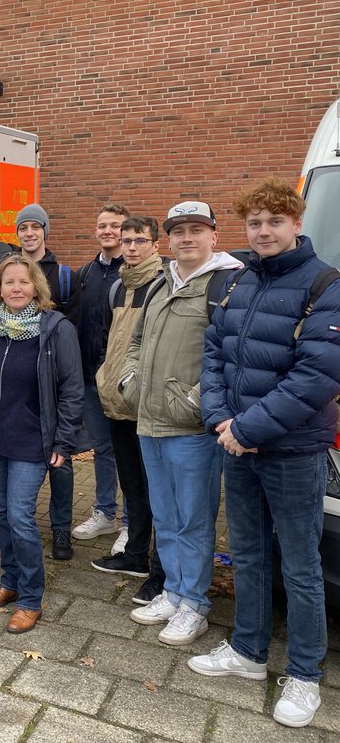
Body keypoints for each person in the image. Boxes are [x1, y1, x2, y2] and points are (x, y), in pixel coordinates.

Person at [189, 178, 340, 728]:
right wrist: (219, 417)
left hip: (292, 451)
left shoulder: (326, 285)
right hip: (236, 441)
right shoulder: (237, 282)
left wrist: (247, 427)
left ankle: (303, 675)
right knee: (249, 553)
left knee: (301, 566)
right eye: (255, 222)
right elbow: (214, 354)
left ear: (296, 223)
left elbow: (317, 376)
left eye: (275, 221)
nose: (264, 231)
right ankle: (249, 652)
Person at [120, 201, 243, 644]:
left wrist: (196, 400)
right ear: (168, 239)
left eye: (197, 229)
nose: (186, 238)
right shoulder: (160, 284)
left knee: (193, 519)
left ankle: (195, 603)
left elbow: (233, 354)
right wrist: (131, 381)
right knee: (167, 517)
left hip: (192, 428)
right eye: (179, 231)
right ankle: (173, 591)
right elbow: (136, 341)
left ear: (214, 235)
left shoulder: (227, 285)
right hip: (149, 421)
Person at [0, 254, 84, 633]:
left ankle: (31, 597)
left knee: (21, 517)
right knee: (1, 514)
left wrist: (64, 440)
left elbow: (72, 389)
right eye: (8, 282)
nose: (16, 288)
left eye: (24, 282)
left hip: (34, 440)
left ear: (37, 288)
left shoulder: (56, 328)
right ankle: (10, 582)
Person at [92, 216, 165, 604]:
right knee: (134, 486)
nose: (132, 247)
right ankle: (135, 555)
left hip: (149, 406)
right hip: (118, 403)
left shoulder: (163, 285)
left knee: (158, 492)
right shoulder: (118, 287)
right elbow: (112, 341)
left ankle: (160, 570)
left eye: (140, 240)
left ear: (155, 244)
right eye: (127, 240)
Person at [9, 203, 82, 560]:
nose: (29, 233)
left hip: (52, 380)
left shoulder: (64, 276)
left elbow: (73, 329)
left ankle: (60, 528)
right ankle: (11, 524)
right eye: (23, 227)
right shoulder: (10, 269)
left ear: (44, 232)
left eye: (35, 227)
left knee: (60, 462)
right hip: (19, 381)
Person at [72, 203, 127, 548]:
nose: (108, 231)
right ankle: (105, 512)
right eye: (102, 225)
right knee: (103, 449)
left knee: (129, 453)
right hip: (90, 376)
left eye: (115, 226)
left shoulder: (136, 271)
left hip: (122, 381)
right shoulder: (85, 274)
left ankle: (131, 524)